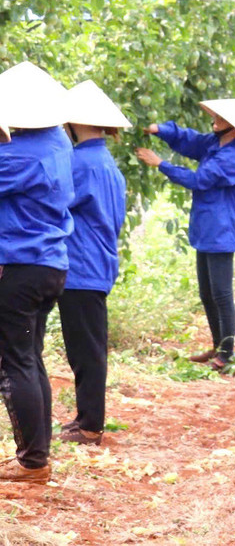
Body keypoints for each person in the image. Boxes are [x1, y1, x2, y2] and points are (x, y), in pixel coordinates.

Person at [134, 99, 235, 370]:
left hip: (222, 230)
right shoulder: (214, 145)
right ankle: (217, 345)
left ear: (233, 127)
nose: (214, 119)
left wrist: (160, 164)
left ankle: (227, 353)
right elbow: (189, 140)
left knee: (221, 293)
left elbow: (198, 181)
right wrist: (159, 129)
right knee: (207, 292)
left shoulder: (233, 157)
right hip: (207, 228)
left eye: (221, 117)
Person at [0, 61, 74, 483]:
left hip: (19, 267)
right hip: (48, 265)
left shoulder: (20, 154)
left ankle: (32, 463)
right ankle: (38, 455)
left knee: (14, 363)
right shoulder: (57, 141)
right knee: (29, 359)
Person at [57, 80, 132, 445]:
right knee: (88, 346)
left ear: (73, 123)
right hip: (97, 262)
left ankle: (90, 426)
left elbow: (54, 202)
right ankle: (86, 418)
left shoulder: (80, 163)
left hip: (81, 265)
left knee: (84, 349)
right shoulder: (105, 163)